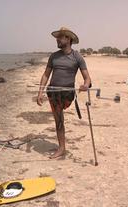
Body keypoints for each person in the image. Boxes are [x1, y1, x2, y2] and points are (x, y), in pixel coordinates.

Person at [37, 27, 91, 159]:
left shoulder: (77, 57)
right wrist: (40, 92)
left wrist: (85, 85)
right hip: (53, 93)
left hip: (67, 93)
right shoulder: (53, 56)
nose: (57, 39)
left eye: (60, 37)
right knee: (59, 120)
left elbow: (87, 78)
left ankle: (62, 147)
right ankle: (62, 148)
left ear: (68, 39)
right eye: (57, 37)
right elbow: (46, 75)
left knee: (60, 118)